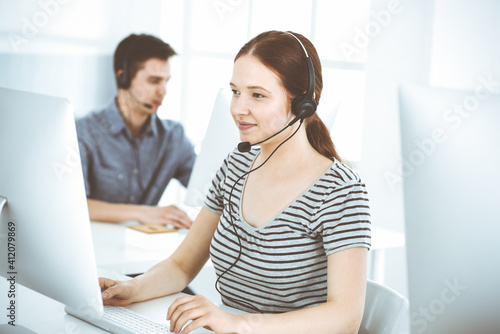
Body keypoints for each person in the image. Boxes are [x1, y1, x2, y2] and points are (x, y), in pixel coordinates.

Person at [99, 30, 371, 333]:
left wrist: (238, 323)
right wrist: (131, 289)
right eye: (235, 91)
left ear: (305, 102)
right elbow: (181, 266)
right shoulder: (236, 165)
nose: (238, 108)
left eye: (257, 95)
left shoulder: (341, 191)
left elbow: (346, 318)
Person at [76, 34, 196, 228]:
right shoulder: (85, 132)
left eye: (166, 81)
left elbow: (207, 189)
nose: (163, 91)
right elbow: (75, 205)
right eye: (154, 81)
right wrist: (145, 213)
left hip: (141, 250)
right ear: (123, 77)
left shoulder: (173, 137)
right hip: (94, 248)